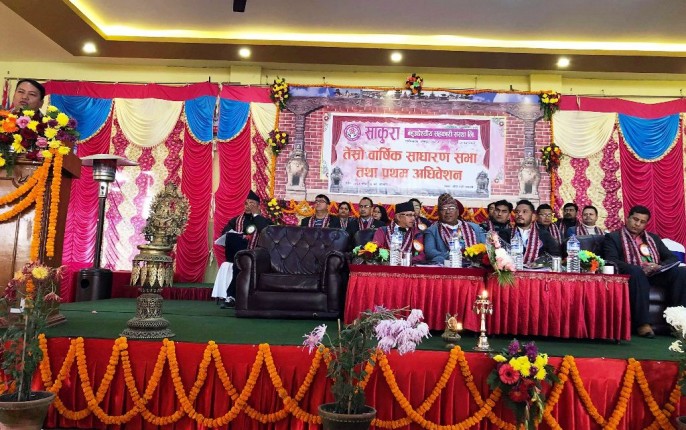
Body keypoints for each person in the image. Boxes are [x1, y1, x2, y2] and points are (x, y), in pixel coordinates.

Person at [603, 205, 686, 338]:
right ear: (627, 218)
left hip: (654, 274)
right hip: (631, 274)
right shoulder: (613, 237)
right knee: (637, 271)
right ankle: (643, 324)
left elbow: (672, 258)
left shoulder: (653, 238)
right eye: (635, 219)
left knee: (682, 272)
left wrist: (658, 266)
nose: (637, 224)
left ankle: (678, 322)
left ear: (646, 224)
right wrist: (639, 268)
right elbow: (611, 259)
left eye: (642, 222)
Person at [219, 190, 272, 308]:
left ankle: (234, 296)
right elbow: (225, 234)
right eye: (246, 203)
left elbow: (265, 231)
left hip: (258, 254)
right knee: (240, 259)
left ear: (258, 206)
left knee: (242, 261)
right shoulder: (236, 220)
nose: (248, 206)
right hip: (239, 254)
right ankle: (232, 297)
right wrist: (239, 236)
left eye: (252, 203)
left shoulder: (265, 220)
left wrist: (256, 215)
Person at [425, 194, 486, 265]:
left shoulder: (474, 228)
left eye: (451, 208)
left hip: (475, 265)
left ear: (457, 212)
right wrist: (453, 256)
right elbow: (430, 252)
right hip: (448, 265)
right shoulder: (432, 230)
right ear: (438, 213)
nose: (448, 212)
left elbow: (485, 247)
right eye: (444, 209)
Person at [498, 199, 560, 263]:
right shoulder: (505, 233)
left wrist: (541, 262)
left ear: (533, 216)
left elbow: (555, 255)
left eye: (524, 212)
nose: (520, 214)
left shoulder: (544, 235)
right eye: (517, 212)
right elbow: (500, 255)